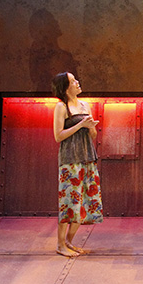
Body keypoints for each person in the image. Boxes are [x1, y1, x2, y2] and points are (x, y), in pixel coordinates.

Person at [51, 72, 102, 257]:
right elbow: (58, 136)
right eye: (73, 81)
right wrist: (79, 126)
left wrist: (90, 126)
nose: (78, 82)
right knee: (69, 204)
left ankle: (69, 242)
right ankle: (60, 244)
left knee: (84, 203)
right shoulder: (61, 106)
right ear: (65, 87)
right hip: (70, 160)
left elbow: (93, 135)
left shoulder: (85, 105)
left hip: (87, 157)